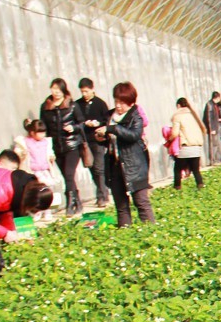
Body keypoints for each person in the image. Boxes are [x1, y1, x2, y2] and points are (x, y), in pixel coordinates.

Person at [96, 82, 155, 227]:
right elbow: (109, 140)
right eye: (116, 101)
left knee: (141, 202)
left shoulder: (136, 117)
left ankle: (150, 233)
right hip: (115, 165)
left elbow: (133, 135)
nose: (118, 106)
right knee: (121, 205)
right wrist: (101, 137)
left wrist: (113, 129)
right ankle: (125, 231)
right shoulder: (110, 116)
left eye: (122, 103)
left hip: (134, 166)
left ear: (131, 102)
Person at [39, 78, 84, 216]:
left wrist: (74, 127)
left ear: (64, 90)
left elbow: (82, 123)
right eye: (53, 89)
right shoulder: (45, 107)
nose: (56, 92)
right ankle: (78, 201)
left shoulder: (72, 105)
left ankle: (70, 203)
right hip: (56, 147)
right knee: (67, 176)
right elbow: (43, 128)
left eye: (59, 90)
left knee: (69, 174)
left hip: (72, 145)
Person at [73, 78, 112, 209]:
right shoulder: (77, 104)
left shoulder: (100, 104)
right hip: (85, 140)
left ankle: (101, 196)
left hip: (98, 139)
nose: (84, 94)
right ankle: (103, 191)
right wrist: (85, 124)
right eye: (82, 91)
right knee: (91, 167)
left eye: (86, 91)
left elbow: (106, 120)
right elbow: (77, 121)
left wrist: (98, 124)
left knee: (99, 168)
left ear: (92, 89)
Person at [21, 119, 58, 219]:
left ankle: (47, 211)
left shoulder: (46, 142)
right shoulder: (25, 142)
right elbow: (19, 153)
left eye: (43, 132)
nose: (42, 135)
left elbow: (50, 152)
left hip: (45, 170)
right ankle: (37, 211)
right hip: (33, 171)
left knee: (47, 191)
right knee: (37, 193)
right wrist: (22, 155)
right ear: (32, 133)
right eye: (40, 132)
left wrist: (52, 157)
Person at [169, 97, 206, 190]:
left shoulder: (178, 116)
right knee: (196, 170)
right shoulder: (193, 115)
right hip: (197, 147)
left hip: (185, 148)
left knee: (177, 169)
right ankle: (200, 185)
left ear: (178, 105)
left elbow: (174, 133)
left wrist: (169, 140)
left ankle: (177, 188)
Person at [201, 92, 221, 165]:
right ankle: (213, 160)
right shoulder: (209, 105)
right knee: (214, 145)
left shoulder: (215, 105)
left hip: (216, 128)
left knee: (219, 145)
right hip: (213, 128)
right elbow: (208, 118)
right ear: (217, 97)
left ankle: (218, 159)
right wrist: (211, 129)